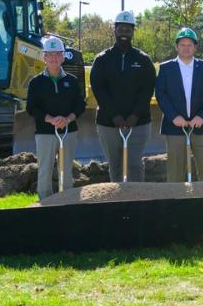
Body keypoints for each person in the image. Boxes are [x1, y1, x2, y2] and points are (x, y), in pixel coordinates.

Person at [89, 11, 156, 182]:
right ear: (115, 30)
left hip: (139, 123)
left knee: (134, 164)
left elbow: (147, 90)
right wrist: (115, 115)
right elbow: (99, 90)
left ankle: (136, 202)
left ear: (133, 31)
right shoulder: (102, 59)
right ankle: (117, 203)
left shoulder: (143, 59)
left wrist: (135, 115)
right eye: (121, 28)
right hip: (108, 123)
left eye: (128, 29)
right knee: (115, 164)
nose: (124, 32)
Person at [155, 28, 203, 182]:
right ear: (176, 47)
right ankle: (176, 202)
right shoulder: (166, 68)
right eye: (182, 44)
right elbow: (161, 94)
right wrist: (174, 116)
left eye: (190, 44)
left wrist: (202, 116)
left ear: (195, 47)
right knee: (175, 169)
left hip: (202, 125)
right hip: (174, 125)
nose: (186, 48)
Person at [26, 36, 86, 200]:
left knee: (66, 171)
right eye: (50, 55)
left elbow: (80, 105)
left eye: (57, 54)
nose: (54, 58)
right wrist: (50, 119)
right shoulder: (36, 82)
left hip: (68, 131)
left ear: (63, 57)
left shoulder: (72, 81)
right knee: (44, 170)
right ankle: (45, 204)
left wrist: (68, 119)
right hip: (45, 133)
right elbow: (31, 108)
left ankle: (67, 202)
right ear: (44, 57)